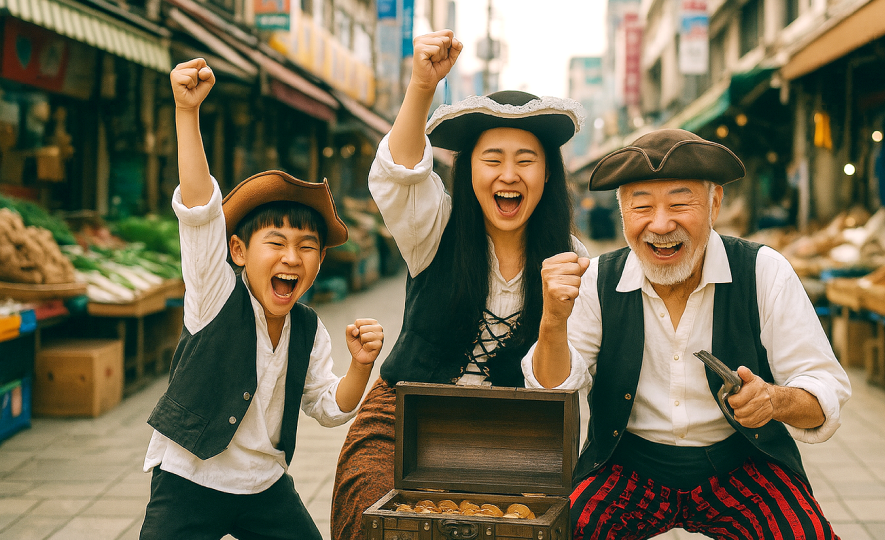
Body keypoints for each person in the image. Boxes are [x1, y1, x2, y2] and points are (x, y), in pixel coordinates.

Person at [526, 129, 851, 539]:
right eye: (641, 206)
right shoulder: (597, 281)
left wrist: (774, 400)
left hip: (742, 465)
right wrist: (553, 320)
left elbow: (825, 391)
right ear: (622, 213)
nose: (661, 225)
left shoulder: (764, 271)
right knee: (564, 533)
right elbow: (552, 388)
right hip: (627, 467)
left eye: (680, 203)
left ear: (714, 203)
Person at [330, 30, 589, 537]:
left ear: (548, 175)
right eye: (492, 159)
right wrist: (422, 86)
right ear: (468, 169)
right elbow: (399, 173)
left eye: (526, 160)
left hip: (511, 437)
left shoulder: (571, 260)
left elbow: (561, 385)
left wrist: (555, 320)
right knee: (374, 516)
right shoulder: (435, 226)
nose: (508, 175)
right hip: (401, 419)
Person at [139, 58, 384, 540]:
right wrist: (186, 113)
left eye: (307, 247)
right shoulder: (214, 295)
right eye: (276, 242)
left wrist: (360, 365)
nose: (292, 258)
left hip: (264, 484)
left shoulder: (308, 329)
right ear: (239, 251)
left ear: (318, 262)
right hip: (191, 477)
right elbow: (198, 213)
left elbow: (329, 407)